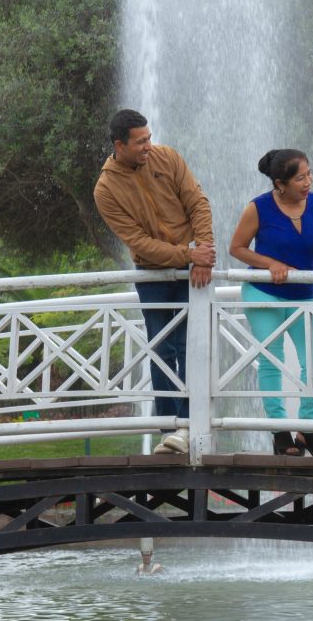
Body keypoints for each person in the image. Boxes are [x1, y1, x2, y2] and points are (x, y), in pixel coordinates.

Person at [94, 109, 215, 455]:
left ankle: (191, 424)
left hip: (193, 269)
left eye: (150, 137)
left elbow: (198, 204)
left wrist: (202, 250)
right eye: (141, 141)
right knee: (161, 348)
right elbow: (138, 242)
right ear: (120, 145)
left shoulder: (168, 157)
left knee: (194, 344)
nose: (149, 145)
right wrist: (189, 256)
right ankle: (170, 430)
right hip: (153, 274)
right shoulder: (105, 189)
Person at [228, 148, 313, 457]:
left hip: (303, 296)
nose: (308, 182)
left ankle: (307, 430)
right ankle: (280, 433)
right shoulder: (258, 208)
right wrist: (270, 264)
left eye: (309, 174)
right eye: (300, 178)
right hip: (262, 292)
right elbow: (237, 248)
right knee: (272, 360)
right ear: (280, 184)